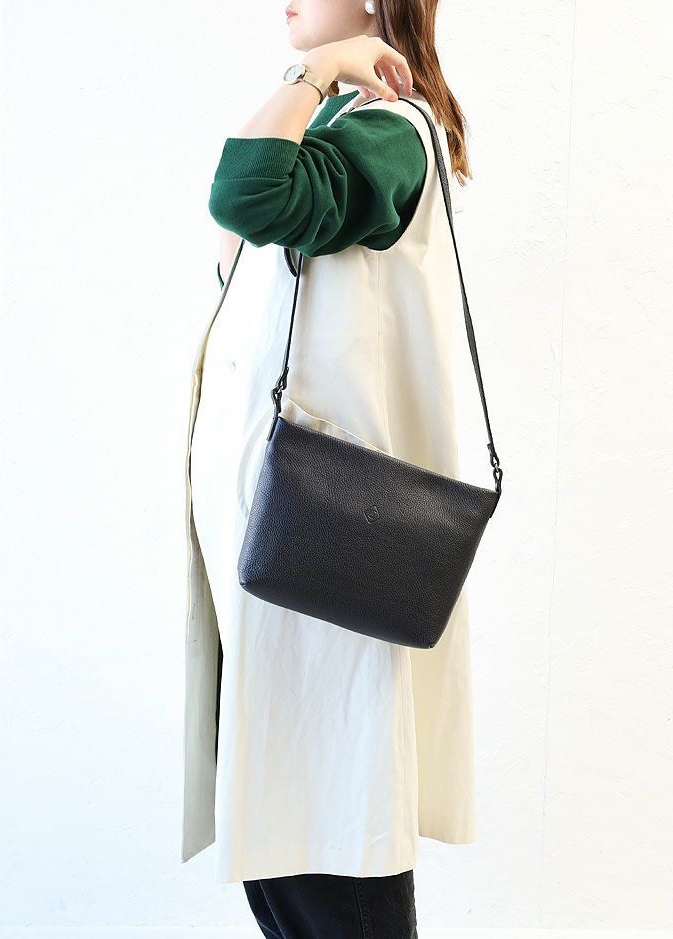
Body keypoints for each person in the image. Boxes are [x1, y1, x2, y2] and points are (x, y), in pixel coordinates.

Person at [181, 0, 476, 935]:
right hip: (280, 552)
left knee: (333, 842)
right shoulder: (343, 117)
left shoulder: (390, 129)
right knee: (288, 846)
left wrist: (320, 70)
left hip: (322, 553)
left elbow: (248, 193)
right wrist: (319, 79)